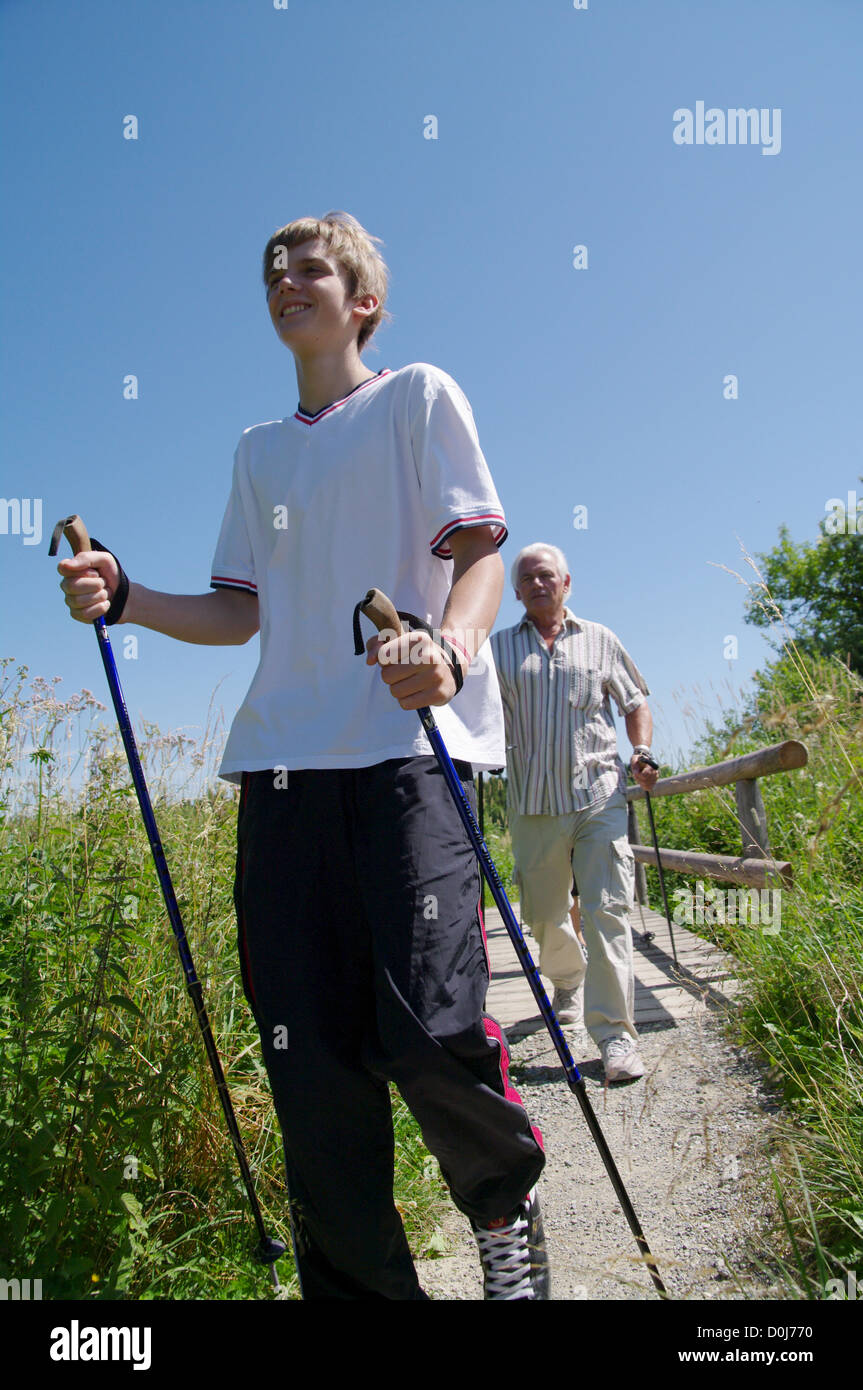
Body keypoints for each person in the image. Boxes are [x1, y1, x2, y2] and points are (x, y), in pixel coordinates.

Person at [57, 212, 548, 1301]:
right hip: (283, 773)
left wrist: (454, 650)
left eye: (310, 267)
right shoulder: (257, 450)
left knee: (428, 1021)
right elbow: (239, 612)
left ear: (361, 297)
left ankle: (503, 1206)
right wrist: (127, 597)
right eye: (271, 271)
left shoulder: (418, 394)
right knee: (311, 1064)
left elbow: (476, 551)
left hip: (406, 753)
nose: (285, 280)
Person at [490, 543, 658, 1084]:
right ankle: (566, 977)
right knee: (543, 914)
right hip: (532, 805)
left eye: (547, 576)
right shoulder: (495, 650)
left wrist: (640, 752)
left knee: (608, 910)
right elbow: (474, 712)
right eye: (527, 578)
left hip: (599, 798)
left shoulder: (602, 641)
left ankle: (615, 1038)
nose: (538, 584)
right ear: (516, 592)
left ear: (567, 583)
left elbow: (635, 703)